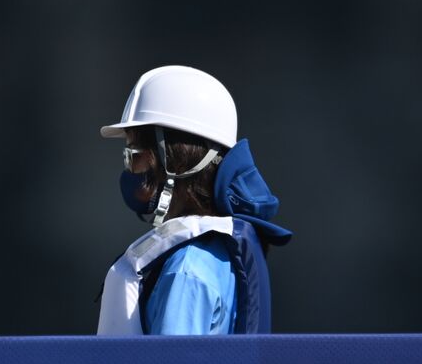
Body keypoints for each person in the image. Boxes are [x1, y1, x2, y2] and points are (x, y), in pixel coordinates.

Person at [96, 65, 291, 336]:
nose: (130, 170)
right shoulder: (213, 254)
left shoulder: (187, 271)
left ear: (176, 160)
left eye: (134, 155)